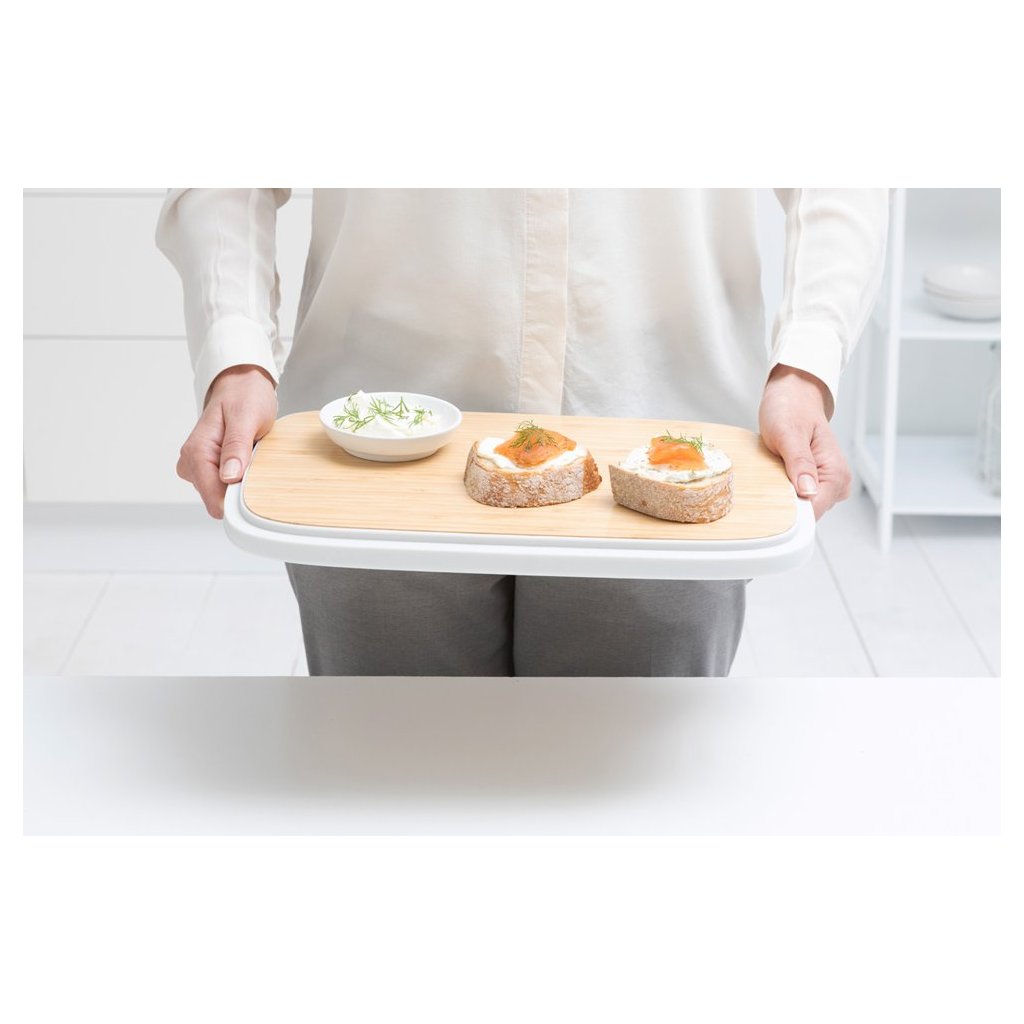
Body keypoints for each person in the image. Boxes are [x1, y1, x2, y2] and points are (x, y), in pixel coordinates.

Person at [156, 188, 888, 677]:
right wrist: (236, 351)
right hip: (375, 440)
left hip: (665, 436)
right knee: (394, 788)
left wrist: (806, 362)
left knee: (629, 810)